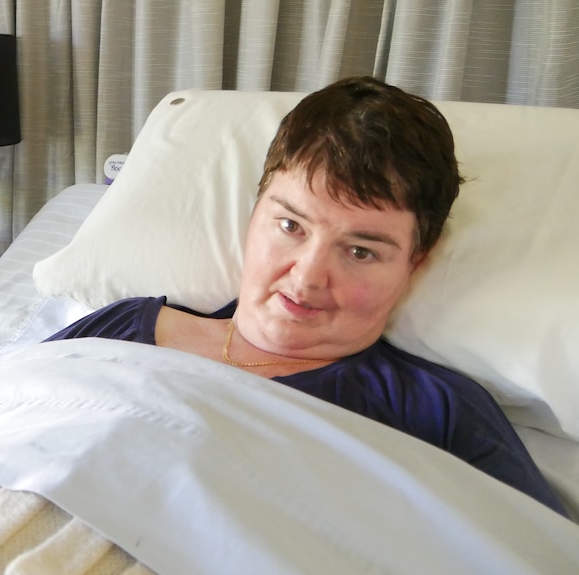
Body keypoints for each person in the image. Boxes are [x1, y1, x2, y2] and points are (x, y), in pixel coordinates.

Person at [46, 76, 568, 516]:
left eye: (361, 251)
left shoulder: (437, 413)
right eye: (291, 224)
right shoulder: (120, 330)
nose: (308, 277)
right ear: (254, 216)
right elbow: (0, 419)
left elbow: (535, 553)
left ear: (416, 262)